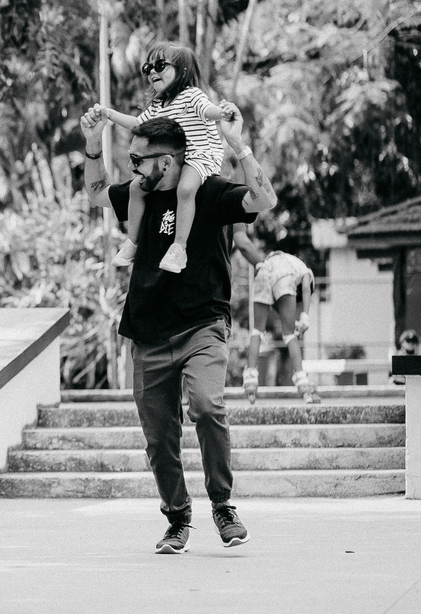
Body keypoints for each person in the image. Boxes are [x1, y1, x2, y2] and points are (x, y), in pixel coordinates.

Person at [79, 106, 278, 555]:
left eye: (138, 161)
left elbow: (264, 200)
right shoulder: (138, 194)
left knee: (207, 407)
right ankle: (177, 517)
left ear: (166, 162)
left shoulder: (208, 194)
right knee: (159, 436)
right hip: (147, 332)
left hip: (201, 326)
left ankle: (222, 504)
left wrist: (238, 145)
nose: (132, 168)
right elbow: (94, 193)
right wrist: (93, 143)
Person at [95, 42, 235, 274]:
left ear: (182, 71)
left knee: (186, 189)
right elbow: (138, 124)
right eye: (148, 67)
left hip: (200, 157)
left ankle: (179, 247)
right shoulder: (158, 104)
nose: (152, 72)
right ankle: (133, 241)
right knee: (135, 189)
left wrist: (223, 113)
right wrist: (110, 114)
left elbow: (208, 110)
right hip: (174, 162)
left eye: (160, 65)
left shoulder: (192, 96)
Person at [232, 225, 318, 404]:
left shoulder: (281, 259)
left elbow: (278, 303)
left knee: (256, 331)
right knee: (289, 335)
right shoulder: (304, 270)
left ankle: (250, 383)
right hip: (284, 276)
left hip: (264, 270)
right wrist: (305, 316)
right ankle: (303, 383)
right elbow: (306, 287)